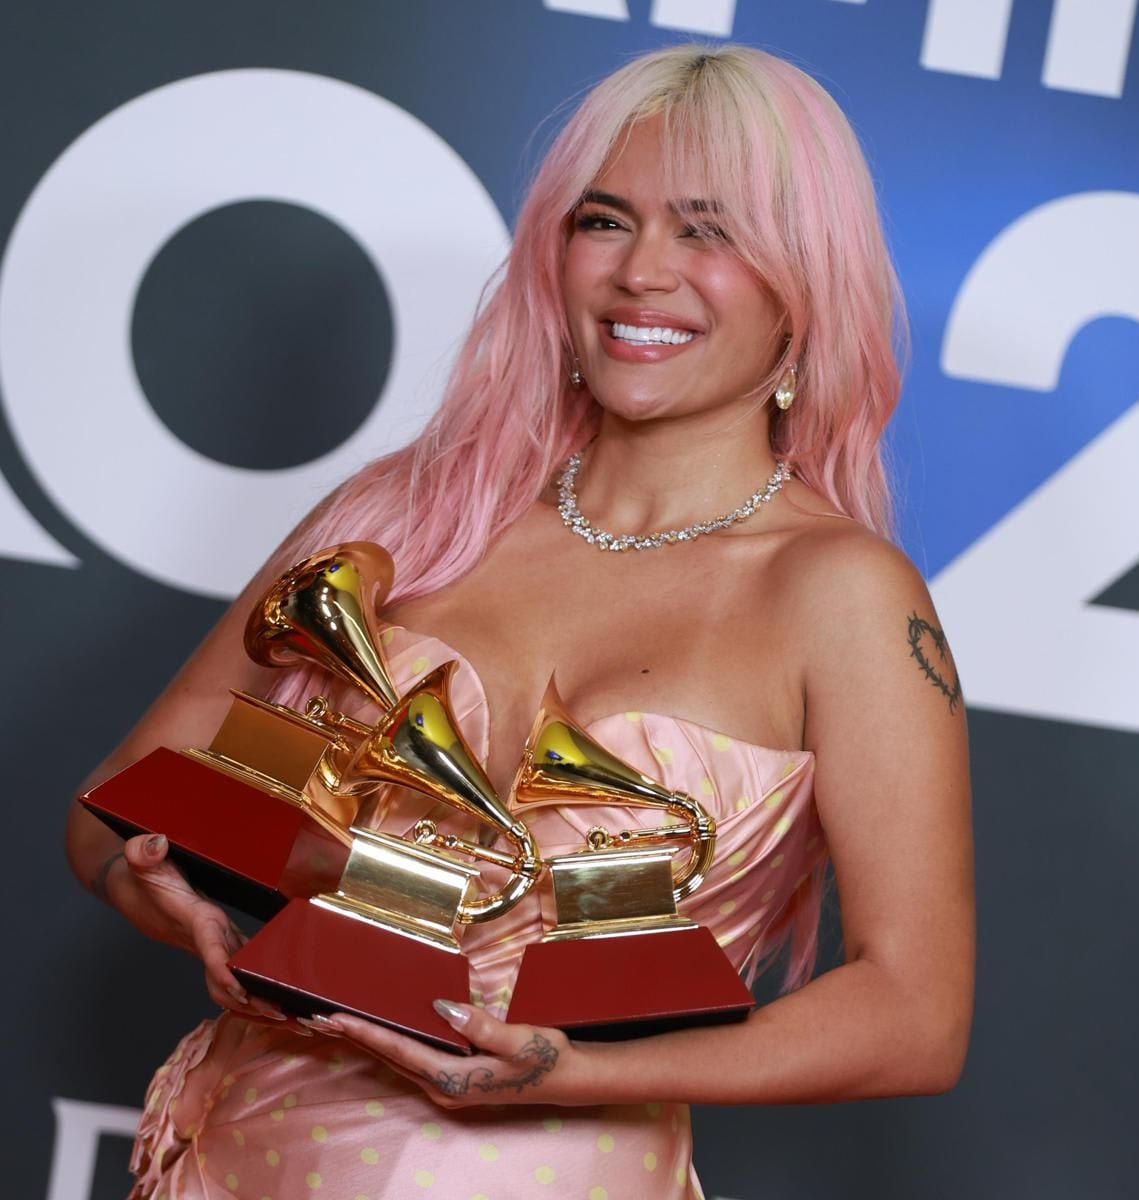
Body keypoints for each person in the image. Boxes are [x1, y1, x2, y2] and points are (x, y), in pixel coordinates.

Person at [66, 43, 974, 1200]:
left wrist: (568, 1074)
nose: (644, 272)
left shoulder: (842, 593)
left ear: (806, 280)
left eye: (708, 230)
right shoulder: (406, 507)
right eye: (606, 220)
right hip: (238, 1158)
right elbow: (114, 805)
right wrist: (153, 892)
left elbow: (915, 1014)